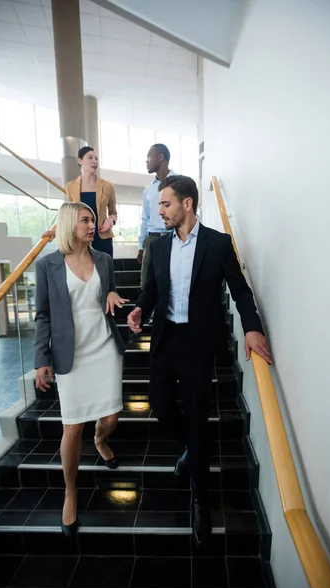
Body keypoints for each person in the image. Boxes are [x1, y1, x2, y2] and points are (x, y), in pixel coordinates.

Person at [127, 175, 271, 546]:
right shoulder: (159, 247)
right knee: (160, 406)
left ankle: (201, 502)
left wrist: (252, 328)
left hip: (197, 343)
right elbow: (151, 290)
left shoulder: (218, 244)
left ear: (187, 204)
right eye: (159, 205)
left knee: (198, 420)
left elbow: (239, 288)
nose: (159, 211)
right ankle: (190, 447)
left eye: (166, 204)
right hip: (165, 338)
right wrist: (141, 308)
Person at [35, 202, 129, 537]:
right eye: (85, 220)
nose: (93, 225)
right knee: (71, 429)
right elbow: (43, 315)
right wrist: (41, 360)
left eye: (93, 220)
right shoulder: (48, 265)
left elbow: (110, 290)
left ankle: (101, 440)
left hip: (104, 347)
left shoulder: (103, 259)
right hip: (69, 355)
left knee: (111, 418)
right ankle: (70, 492)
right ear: (68, 225)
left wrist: (114, 293)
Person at [43, 146, 118, 257]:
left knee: (104, 272)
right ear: (80, 161)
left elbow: (113, 213)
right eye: (90, 158)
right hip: (80, 238)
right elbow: (69, 215)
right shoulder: (71, 186)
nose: (94, 161)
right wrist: (58, 232)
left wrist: (110, 220)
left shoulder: (108, 186)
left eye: (96, 159)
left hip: (102, 238)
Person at [138, 144, 176, 289]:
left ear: (160, 157)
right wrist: (141, 246)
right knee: (146, 285)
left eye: (149, 157)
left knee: (171, 284)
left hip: (173, 237)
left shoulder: (179, 182)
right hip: (151, 240)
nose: (146, 161)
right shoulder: (148, 189)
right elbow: (145, 218)